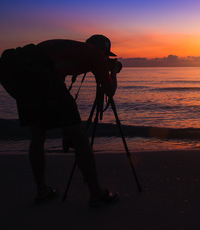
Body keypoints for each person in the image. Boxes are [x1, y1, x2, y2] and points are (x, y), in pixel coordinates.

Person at [16, 34, 121, 207]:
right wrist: (114, 72)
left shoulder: (68, 48)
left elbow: (53, 71)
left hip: (24, 83)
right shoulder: (95, 54)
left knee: (37, 135)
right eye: (106, 54)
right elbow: (109, 90)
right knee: (80, 137)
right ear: (103, 50)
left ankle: (41, 191)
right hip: (45, 83)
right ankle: (96, 194)